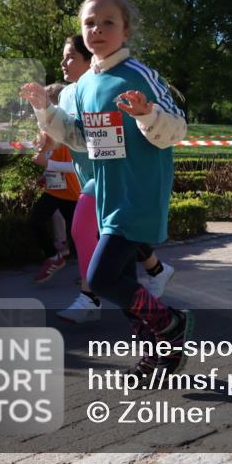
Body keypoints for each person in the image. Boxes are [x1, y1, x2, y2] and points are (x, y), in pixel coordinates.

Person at [21, 0, 192, 380]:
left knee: (99, 278)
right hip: (102, 194)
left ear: (125, 30)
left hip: (136, 193)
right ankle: (161, 356)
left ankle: (171, 323)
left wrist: (147, 115)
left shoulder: (140, 76)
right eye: (89, 23)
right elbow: (79, 139)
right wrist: (46, 109)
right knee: (123, 279)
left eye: (108, 22)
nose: (97, 30)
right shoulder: (80, 89)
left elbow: (177, 130)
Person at [52, 35, 174, 324]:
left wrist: (145, 115)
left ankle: (89, 297)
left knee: (83, 231)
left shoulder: (121, 83)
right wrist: (45, 115)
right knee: (121, 272)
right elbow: (76, 136)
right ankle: (154, 337)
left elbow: (155, 131)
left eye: (70, 56)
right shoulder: (70, 93)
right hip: (93, 179)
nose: (63, 62)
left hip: (112, 182)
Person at [30, 83, 80, 283]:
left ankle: (89, 275)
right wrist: (46, 171)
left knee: (79, 236)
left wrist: (48, 163)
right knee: (35, 220)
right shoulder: (47, 127)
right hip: (55, 190)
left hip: (74, 193)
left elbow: (76, 167)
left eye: (45, 103)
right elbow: (51, 155)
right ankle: (53, 257)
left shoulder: (71, 128)